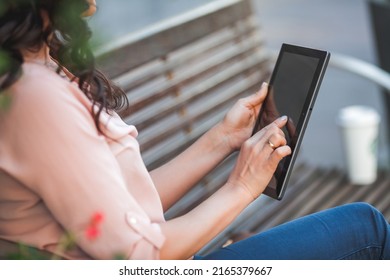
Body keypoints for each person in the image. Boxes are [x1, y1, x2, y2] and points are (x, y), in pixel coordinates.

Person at [0, 0, 389, 260]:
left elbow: (128, 211)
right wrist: (241, 187)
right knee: (365, 227)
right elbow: (138, 259)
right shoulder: (35, 96)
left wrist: (222, 139)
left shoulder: (40, 68)